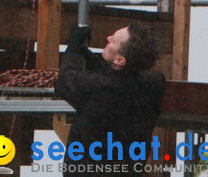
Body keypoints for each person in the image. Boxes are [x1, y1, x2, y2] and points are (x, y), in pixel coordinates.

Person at [54, 23, 166, 173]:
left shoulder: (101, 89)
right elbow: (122, 75)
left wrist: (74, 46)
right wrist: (89, 55)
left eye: (113, 41)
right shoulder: (154, 83)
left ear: (120, 60)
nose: (108, 38)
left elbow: (65, 80)